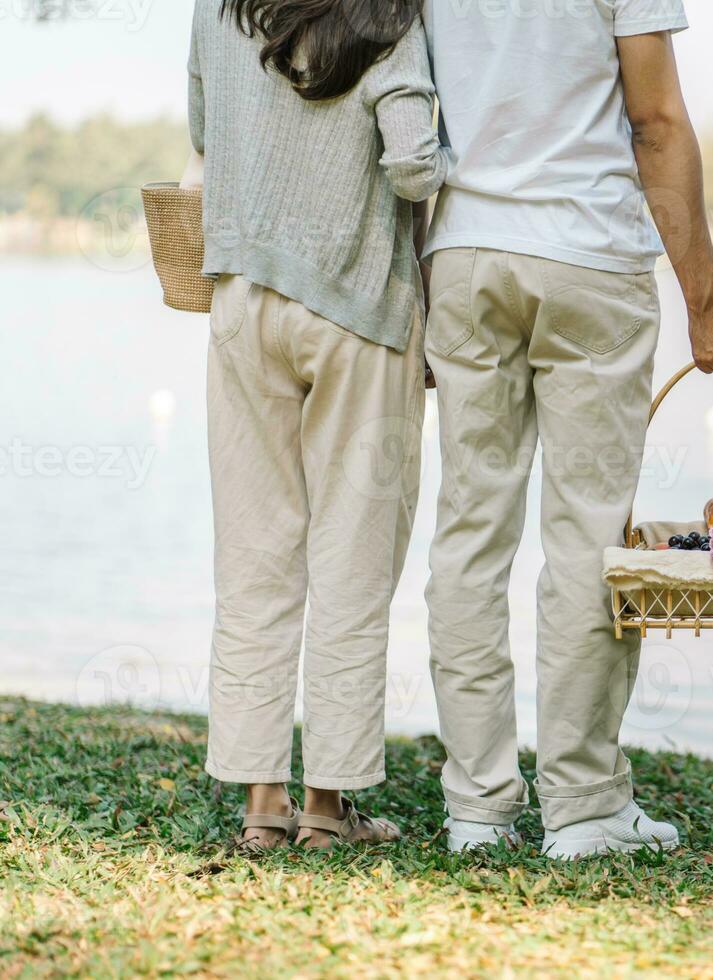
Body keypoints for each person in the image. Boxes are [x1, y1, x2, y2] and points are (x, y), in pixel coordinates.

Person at [421, 0, 713, 859]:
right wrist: (706, 298)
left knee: (469, 532)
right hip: (587, 254)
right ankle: (583, 808)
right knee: (587, 539)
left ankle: (478, 809)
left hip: (464, 255)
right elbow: (656, 121)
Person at [189, 0, 448, 850]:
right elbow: (412, 167)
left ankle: (263, 806)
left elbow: (204, 128)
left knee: (254, 555)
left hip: (241, 298)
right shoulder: (391, 16)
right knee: (352, 557)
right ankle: (328, 810)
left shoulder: (216, 8)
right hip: (356, 311)